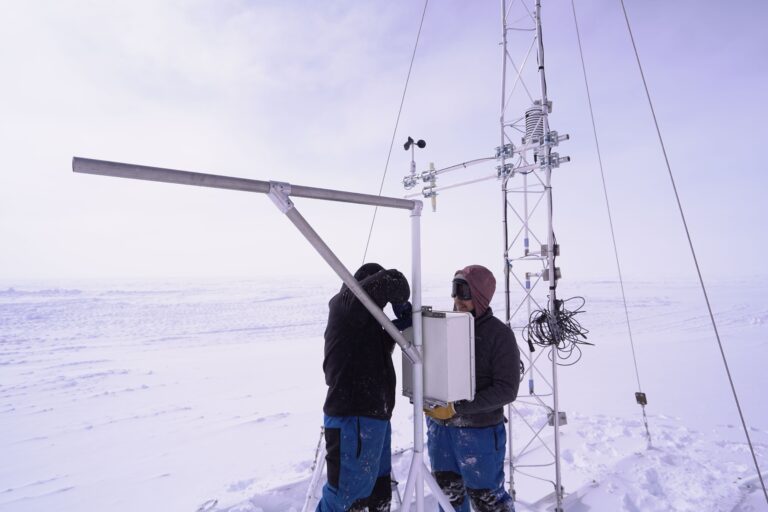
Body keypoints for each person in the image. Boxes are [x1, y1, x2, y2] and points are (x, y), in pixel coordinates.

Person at [317, 262, 412, 512]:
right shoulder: (346, 304)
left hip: (372, 422)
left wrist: (393, 331)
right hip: (353, 421)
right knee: (346, 501)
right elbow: (394, 282)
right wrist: (400, 301)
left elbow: (366, 355)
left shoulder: (362, 321)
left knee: (378, 497)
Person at [425, 264, 520, 512]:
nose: (457, 299)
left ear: (480, 295)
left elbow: (507, 389)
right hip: (441, 430)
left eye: (464, 292)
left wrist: (460, 407)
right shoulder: (441, 326)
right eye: (454, 291)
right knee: (448, 496)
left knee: (487, 499)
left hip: (479, 434)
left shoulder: (499, 335)